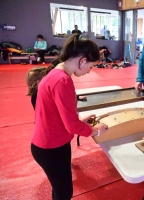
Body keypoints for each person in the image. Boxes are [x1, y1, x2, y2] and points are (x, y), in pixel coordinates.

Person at [30, 34, 108, 200]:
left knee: (61, 190)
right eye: (91, 66)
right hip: (50, 148)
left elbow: (60, 116)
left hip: (53, 143)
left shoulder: (56, 73)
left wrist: (79, 122)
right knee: (64, 192)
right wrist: (96, 131)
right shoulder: (62, 81)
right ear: (83, 61)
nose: (89, 72)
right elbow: (72, 126)